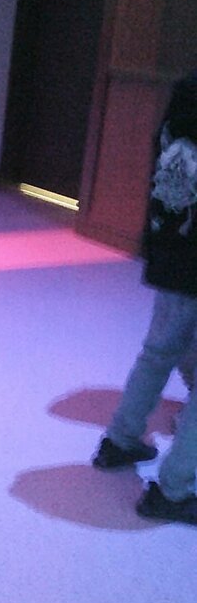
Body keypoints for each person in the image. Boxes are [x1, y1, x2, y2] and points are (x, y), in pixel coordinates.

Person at [93, 71, 197, 526]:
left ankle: (120, 440)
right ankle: (175, 489)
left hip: (172, 249)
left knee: (157, 353)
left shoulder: (187, 92)